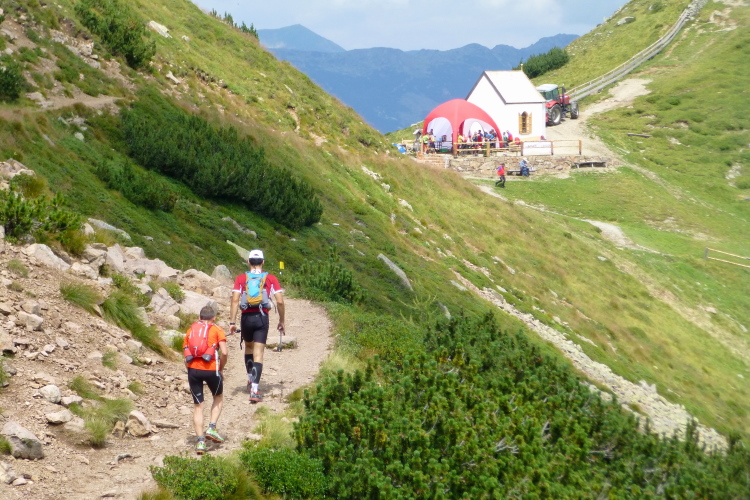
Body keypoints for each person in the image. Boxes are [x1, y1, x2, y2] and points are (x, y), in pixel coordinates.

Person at [229, 249, 285, 403]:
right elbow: (280, 301)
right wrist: (281, 320)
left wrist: (232, 322)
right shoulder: (271, 278)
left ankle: (249, 379)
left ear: (248, 262)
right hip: (261, 318)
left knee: (249, 347)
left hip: (246, 318)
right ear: (263, 262)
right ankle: (255, 389)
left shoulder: (241, 278)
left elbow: (235, 300)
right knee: (258, 353)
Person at [184, 305, 228, 455]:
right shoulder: (217, 329)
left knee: (198, 406)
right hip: (211, 370)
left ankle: (200, 442)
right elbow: (224, 352)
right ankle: (212, 427)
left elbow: (185, 354)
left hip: (193, 370)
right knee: (218, 397)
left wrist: (190, 371)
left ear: (199, 317)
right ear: (214, 318)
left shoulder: (191, 330)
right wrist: (220, 368)